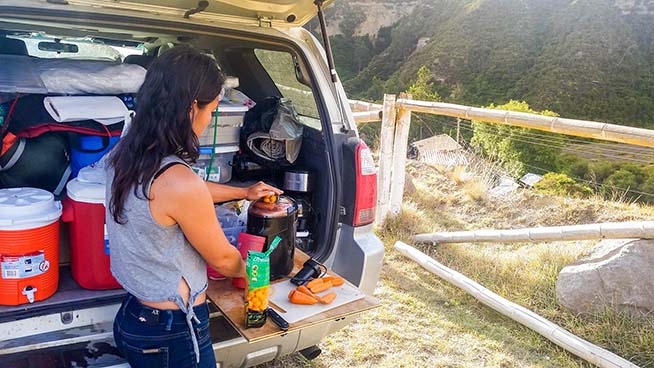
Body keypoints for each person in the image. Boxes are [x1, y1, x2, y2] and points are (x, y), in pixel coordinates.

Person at [106, 45, 282, 368]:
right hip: (172, 333)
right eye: (212, 109)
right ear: (191, 109)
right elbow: (223, 259)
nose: (210, 119)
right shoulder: (178, 182)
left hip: (133, 318)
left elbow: (180, 197)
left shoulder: (128, 152)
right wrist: (256, 273)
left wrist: (242, 193)